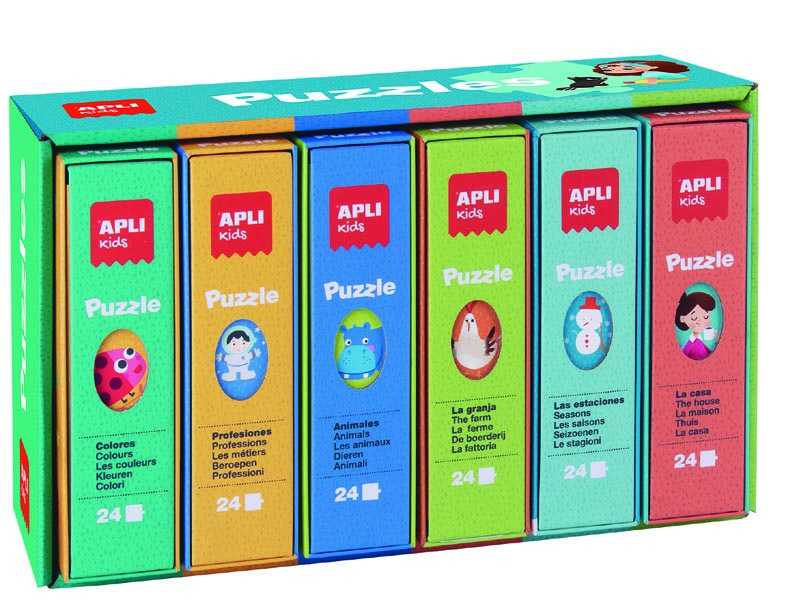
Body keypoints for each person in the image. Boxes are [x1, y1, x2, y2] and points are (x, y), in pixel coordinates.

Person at [674, 290, 717, 360]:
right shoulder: (692, 345)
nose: (700, 321)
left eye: (705, 317)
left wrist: (716, 338)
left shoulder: (699, 342)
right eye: (694, 318)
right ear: (682, 319)